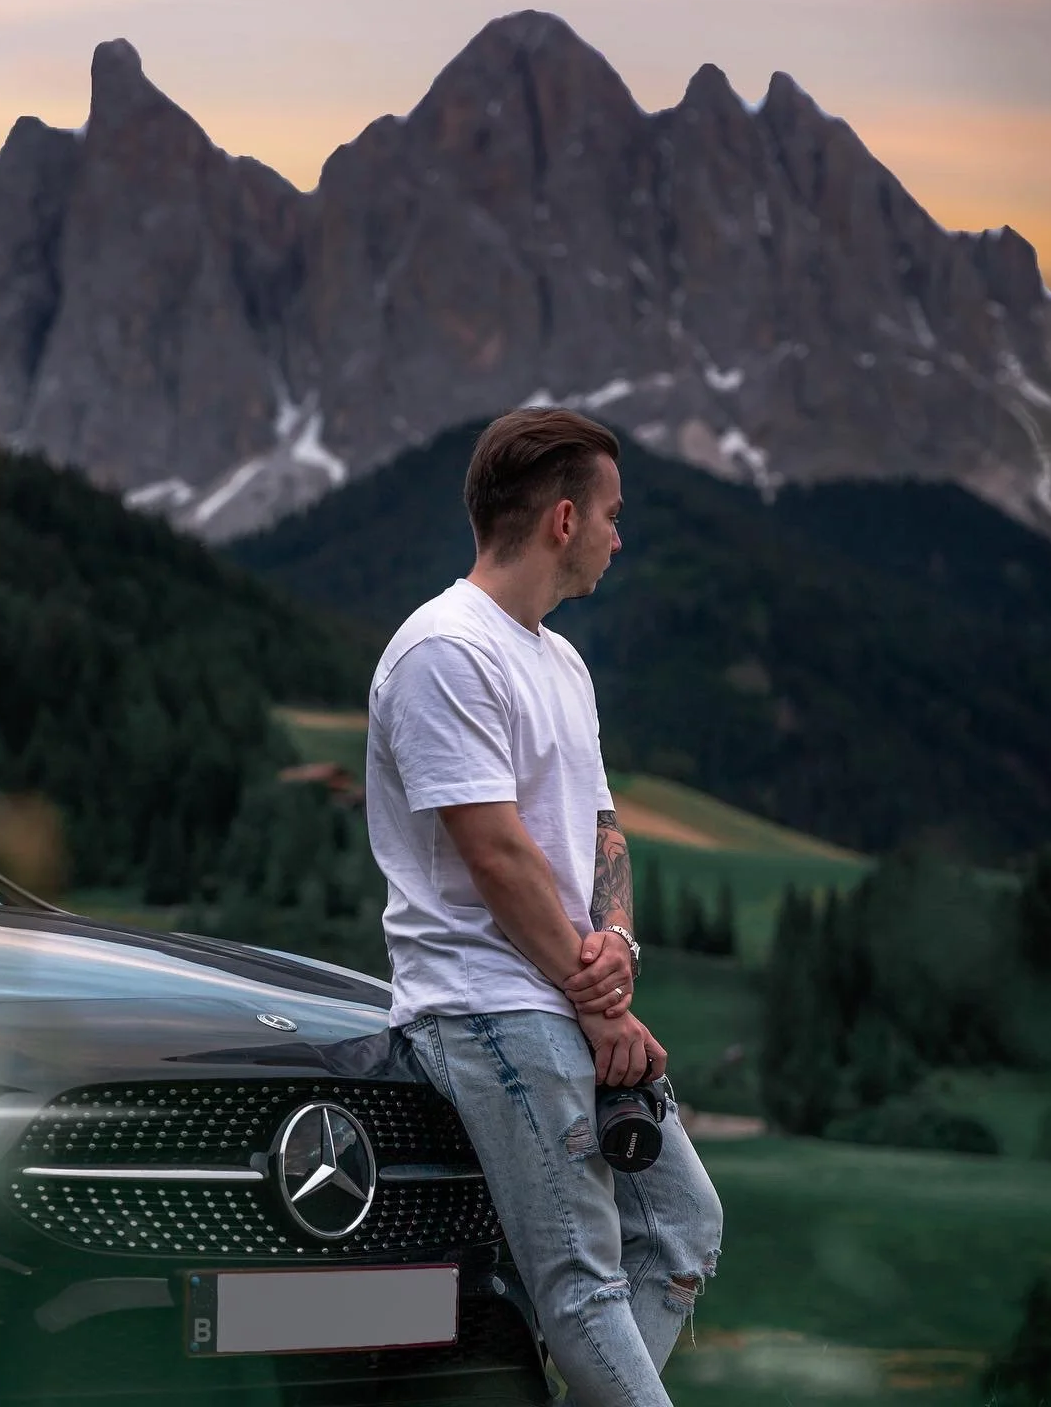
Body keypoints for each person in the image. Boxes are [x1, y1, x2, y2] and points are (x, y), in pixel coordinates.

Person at [365, 407, 724, 1405]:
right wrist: (597, 1001)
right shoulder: (445, 650)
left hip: (562, 991)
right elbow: (495, 852)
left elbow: (600, 826)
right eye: (613, 512)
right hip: (486, 1005)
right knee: (582, 1283)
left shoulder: (557, 661)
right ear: (563, 520)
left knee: (685, 1228)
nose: (622, 532)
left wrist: (618, 940)